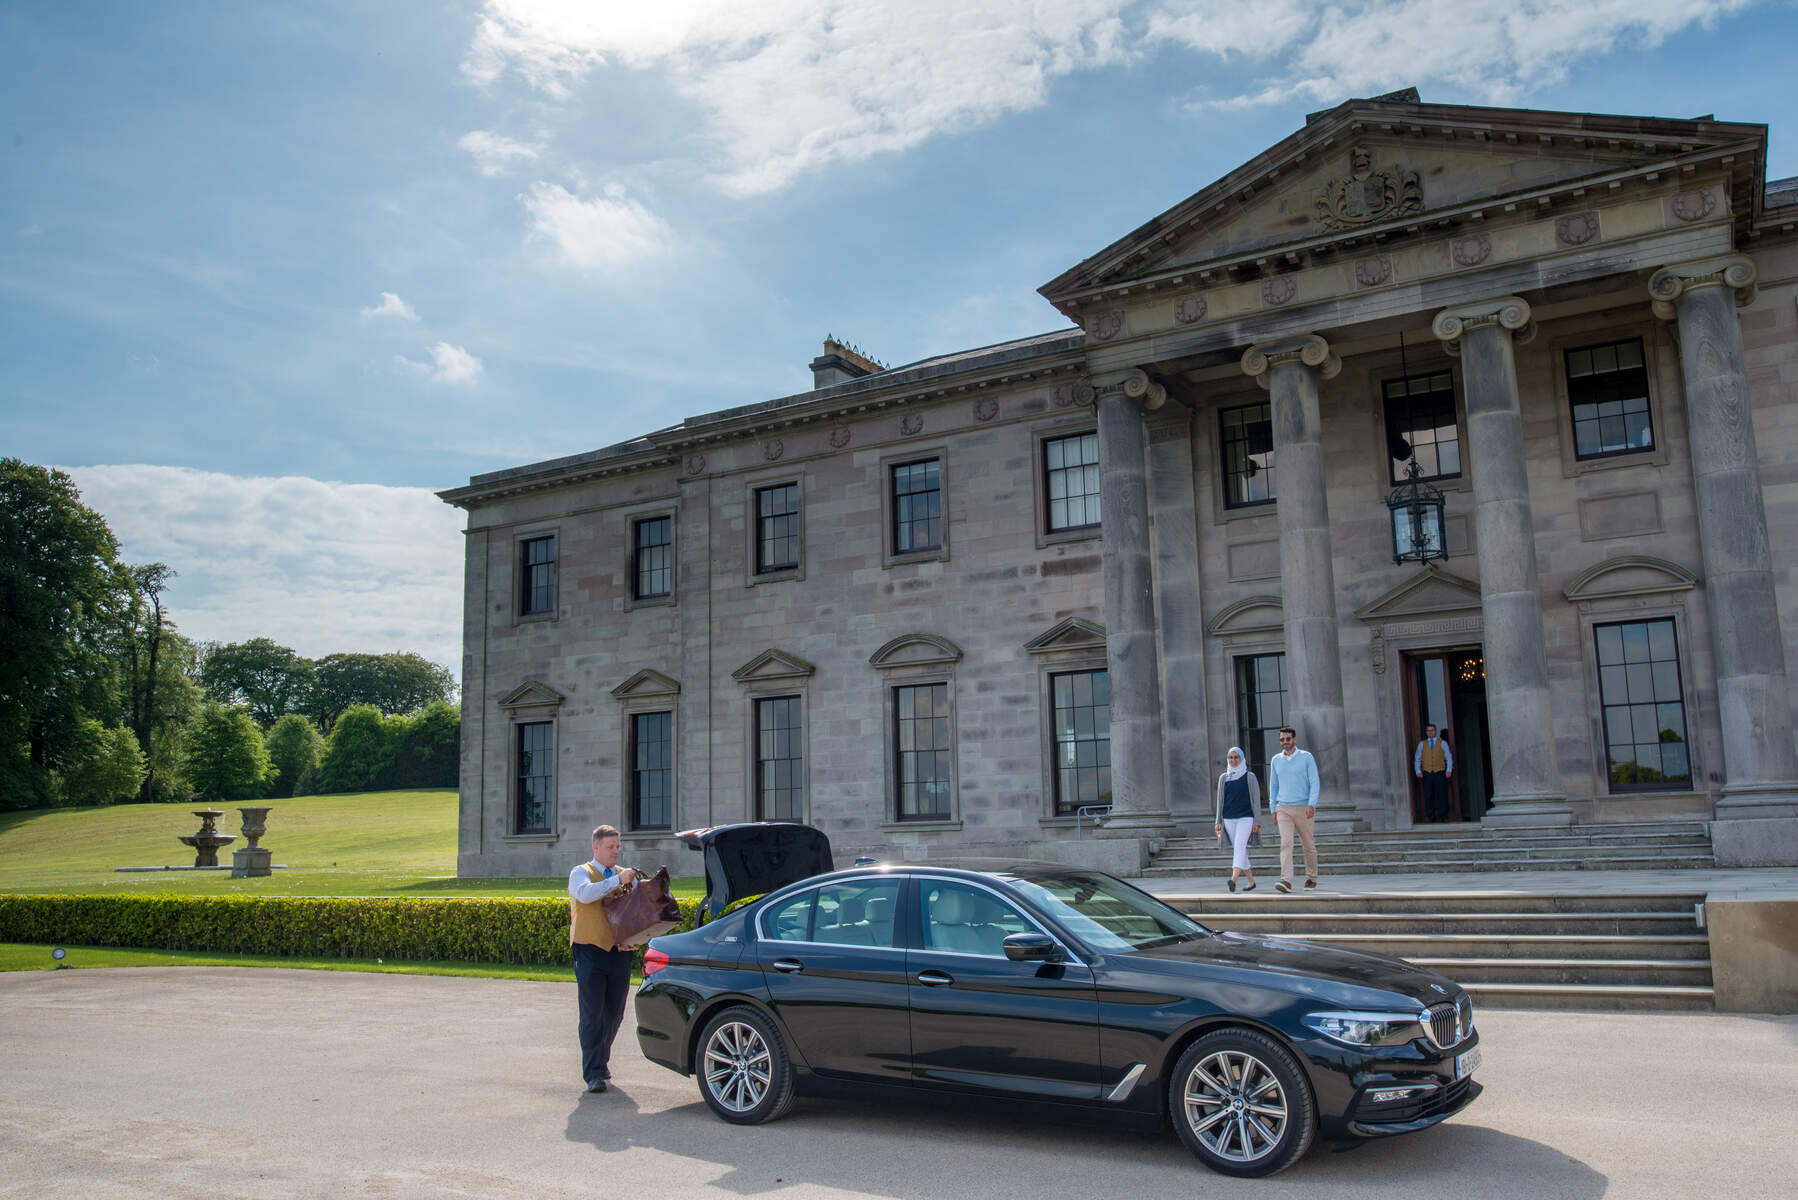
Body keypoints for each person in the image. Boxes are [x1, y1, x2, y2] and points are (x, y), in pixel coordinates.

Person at [569, 824, 638, 1093]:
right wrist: (617, 882)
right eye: (610, 847)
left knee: (615, 1012)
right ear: (596, 847)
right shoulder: (580, 873)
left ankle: (600, 1059)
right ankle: (594, 1072)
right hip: (589, 950)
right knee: (592, 1014)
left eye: (618, 846)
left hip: (620, 951)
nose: (616, 851)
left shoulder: (625, 875)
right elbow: (586, 895)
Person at [1266, 725, 1321, 893]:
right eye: (1282, 739)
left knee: (1308, 844)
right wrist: (1273, 809)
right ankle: (1286, 880)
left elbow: (1314, 782)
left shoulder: (1306, 757)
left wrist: (1312, 803)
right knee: (1286, 843)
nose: (1285, 742)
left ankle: (1311, 878)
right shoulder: (1276, 760)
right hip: (1283, 807)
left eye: (1288, 739)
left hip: (1304, 807)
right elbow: (1273, 786)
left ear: (1294, 739)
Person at [1212, 747, 1261, 892]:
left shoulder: (1250, 777)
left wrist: (1257, 821)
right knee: (1240, 850)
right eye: (1231, 757)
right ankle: (1251, 882)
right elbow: (1220, 800)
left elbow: (1256, 800)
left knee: (1239, 847)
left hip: (1246, 817)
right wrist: (1218, 821)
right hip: (1228, 818)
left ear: (1242, 759)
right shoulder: (1224, 778)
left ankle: (1233, 879)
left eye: (1236, 757)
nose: (1233, 760)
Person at [1413, 722, 1455, 824]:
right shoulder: (1422, 744)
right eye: (1428, 731)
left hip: (1439, 772)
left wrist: (1449, 770)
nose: (1430, 732)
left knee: (1442, 794)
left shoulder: (1443, 743)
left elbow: (1448, 757)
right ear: (1426, 732)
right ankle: (1430, 817)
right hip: (1427, 773)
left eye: (1432, 730)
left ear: (1435, 731)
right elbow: (1417, 758)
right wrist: (1418, 770)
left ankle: (1444, 816)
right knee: (1428, 795)